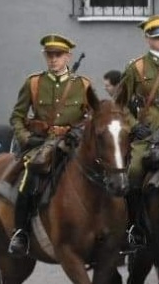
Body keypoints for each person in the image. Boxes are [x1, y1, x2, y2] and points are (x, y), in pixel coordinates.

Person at [6, 34, 98, 257]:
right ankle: (21, 233)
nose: (54, 60)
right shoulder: (34, 83)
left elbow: (92, 116)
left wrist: (79, 131)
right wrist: (26, 138)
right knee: (29, 178)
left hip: (72, 143)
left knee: (102, 173)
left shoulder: (83, 85)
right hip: (42, 143)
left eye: (58, 55)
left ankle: (110, 230)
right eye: (50, 55)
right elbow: (17, 116)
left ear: (68, 56)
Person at [118, 16, 159, 250]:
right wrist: (134, 125)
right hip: (149, 133)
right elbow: (121, 104)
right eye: (156, 38)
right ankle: (133, 225)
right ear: (147, 39)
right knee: (134, 170)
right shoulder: (137, 68)